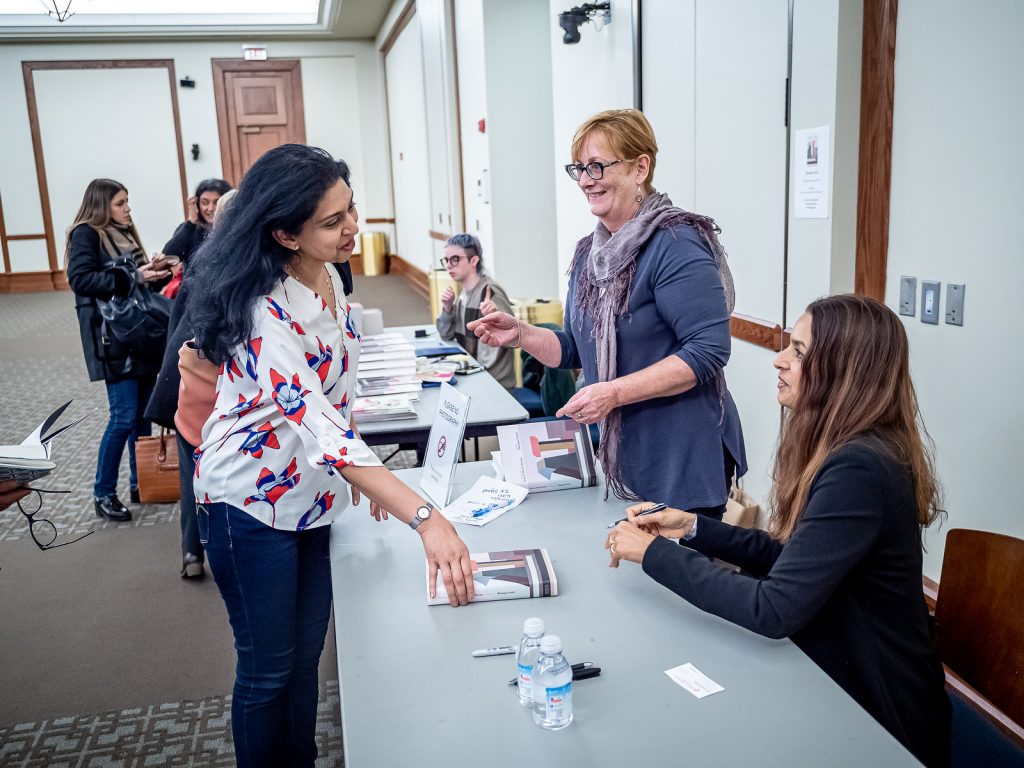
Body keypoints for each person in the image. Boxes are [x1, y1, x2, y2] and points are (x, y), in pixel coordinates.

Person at [186, 144, 475, 767]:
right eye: (332, 221)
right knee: (268, 670)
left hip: (311, 496)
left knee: (305, 660)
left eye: (352, 209)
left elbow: (336, 393)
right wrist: (425, 518)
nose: (353, 228)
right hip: (247, 502)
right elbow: (319, 425)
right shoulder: (263, 310)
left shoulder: (327, 278)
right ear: (285, 234)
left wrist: (365, 479)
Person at [606, 294, 951, 768]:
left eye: (799, 352)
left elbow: (772, 609)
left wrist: (652, 554)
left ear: (844, 370)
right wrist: (691, 527)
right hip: (836, 677)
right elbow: (790, 554)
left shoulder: (860, 468)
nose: (779, 360)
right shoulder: (855, 449)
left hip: (879, 716)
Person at [470, 108, 746, 517]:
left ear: (640, 168)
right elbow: (574, 349)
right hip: (625, 451)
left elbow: (708, 350)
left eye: (597, 166)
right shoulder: (590, 254)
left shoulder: (675, 242)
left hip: (682, 454)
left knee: (674, 559)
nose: (586, 180)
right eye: (579, 168)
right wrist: (522, 334)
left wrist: (613, 393)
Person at [66, 178, 172, 522]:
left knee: (141, 416)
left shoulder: (124, 233)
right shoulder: (87, 234)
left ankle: (140, 481)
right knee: (123, 417)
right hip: (112, 338)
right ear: (101, 205)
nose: (128, 209)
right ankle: (103, 493)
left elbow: (138, 288)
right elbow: (81, 280)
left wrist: (157, 273)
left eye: (127, 202)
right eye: (120, 203)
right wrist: (133, 278)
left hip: (141, 334)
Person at [436, 233, 515, 387]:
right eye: (446, 260)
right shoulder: (463, 294)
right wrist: (447, 308)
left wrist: (496, 321)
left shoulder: (489, 292)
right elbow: (446, 335)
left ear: (474, 260)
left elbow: (513, 339)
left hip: (494, 383)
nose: (449, 265)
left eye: (455, 259)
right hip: (472, 374)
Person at [162, 178, 232, 265]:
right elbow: (167, 258)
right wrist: (191, 223)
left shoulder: (234, 228)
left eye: (217, 202)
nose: (210, 209)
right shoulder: (189, 229)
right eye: (205, 202)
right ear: (197, 204)